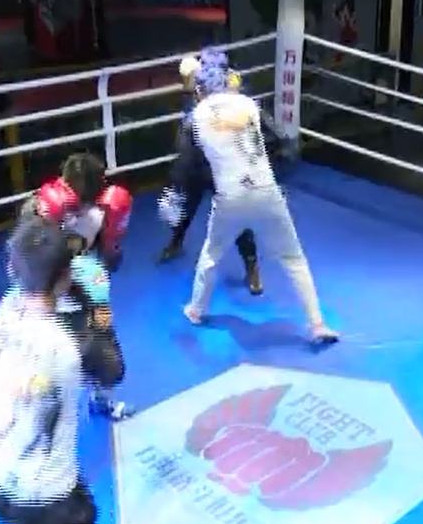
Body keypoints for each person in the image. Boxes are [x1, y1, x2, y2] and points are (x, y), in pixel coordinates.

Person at [0, 218, 122, 524]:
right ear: (66, 277)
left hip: (3, 482)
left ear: (11, 268)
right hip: (53, 499)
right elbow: (114, 372)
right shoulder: (71, 346)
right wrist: (98, 308)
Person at [181, 46, 337, 343]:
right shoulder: (249, 104)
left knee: (212, 254)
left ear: (200, 87)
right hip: (266, 190)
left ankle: (196, 310)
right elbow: (275, 137)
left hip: (230, 195)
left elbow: (191, 158)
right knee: (294, 258)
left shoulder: (195, 117)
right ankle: (317, 324)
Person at [33, 152, 134, 419]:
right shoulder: (48, 212)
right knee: (74, 358)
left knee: (100, 350)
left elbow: (109, 257)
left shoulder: (96, 212)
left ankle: (97, 398)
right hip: (59, 294)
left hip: (85, 289)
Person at [157, 54, 263, 297]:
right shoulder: (193, 101)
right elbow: (186, 142)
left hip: (224, 170)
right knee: (187, 205)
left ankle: (252, 267)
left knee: (237, 218)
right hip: (199, 165)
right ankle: (176, 242)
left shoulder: (230, 99)